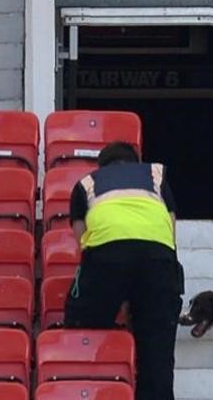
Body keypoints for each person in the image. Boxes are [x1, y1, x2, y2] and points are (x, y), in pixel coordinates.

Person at [64, 141, 184, 400]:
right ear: (136, 161)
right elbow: (171, 230)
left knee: (83, 325)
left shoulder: (87, 183)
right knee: (157, 349)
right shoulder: (155, 177)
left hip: (107, 256)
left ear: (102, 164)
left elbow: (82, 239)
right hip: (158, 257)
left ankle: (91, 388)